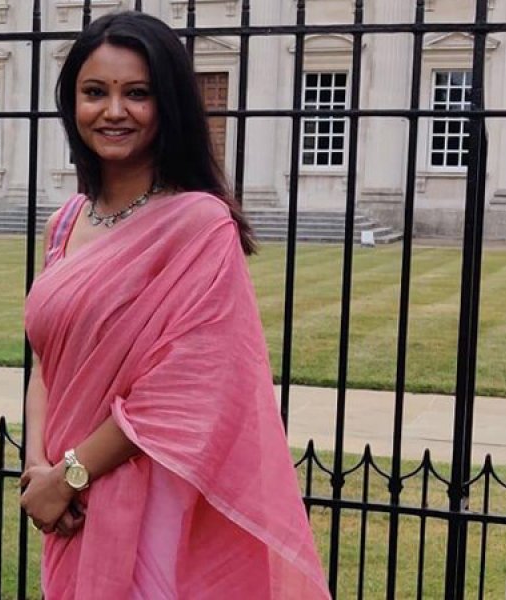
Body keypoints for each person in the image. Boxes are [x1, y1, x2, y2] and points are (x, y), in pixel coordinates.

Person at [20, 11, 330, 599]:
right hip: (61, 493)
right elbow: (46, 361)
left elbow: (183, 392)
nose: (114, 111)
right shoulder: (65, 222)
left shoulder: (198, 225)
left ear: (168, 106)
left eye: (137, 93)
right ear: (72, 104)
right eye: (95, 92)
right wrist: (38, 466)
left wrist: (72, 474)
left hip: (145, 492)